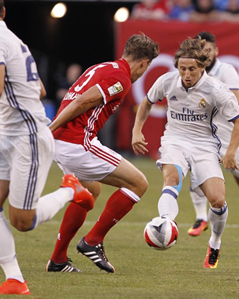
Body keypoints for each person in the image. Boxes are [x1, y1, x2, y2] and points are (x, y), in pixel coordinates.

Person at [0, 0, 94, 295]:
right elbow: (40, 90)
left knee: (22, 221)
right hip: (4, 131)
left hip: (27, 135)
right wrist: (4, 112)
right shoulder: (15, 40)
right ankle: (15, 279)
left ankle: (72, 189)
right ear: (3, 12)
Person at [45, 34, 159, 273]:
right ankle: (93, 240)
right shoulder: (121, 77)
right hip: (77, 142)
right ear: (143, 63)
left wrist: (52, 133)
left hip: (63, 141)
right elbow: (82, 103)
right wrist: (49, 130)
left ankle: (57, 260)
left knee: (88, 192)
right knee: (138, 183)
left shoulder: (103, 67)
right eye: (146, 68)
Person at [132, 37, 239, 269]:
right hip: (174, 140)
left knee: (218, 200)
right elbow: (146, 103)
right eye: (182, 68)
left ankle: (215, 242)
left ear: (202, 67)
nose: (186, 74)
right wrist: (136, 131)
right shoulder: (167, 81)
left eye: (192, 69)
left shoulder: (217, 90)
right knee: (172, 179)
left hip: (204, 145)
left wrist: (231, 152)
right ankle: (165, 223)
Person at [186, 31, 239, 246]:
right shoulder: (190, 72)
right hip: (204, 137)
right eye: (201, 50)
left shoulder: (226, 71)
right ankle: (200, 217)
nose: (205, 53)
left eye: (208, 50)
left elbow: (236, 104)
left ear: (216, 51)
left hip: (230, 137)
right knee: (196, 174)